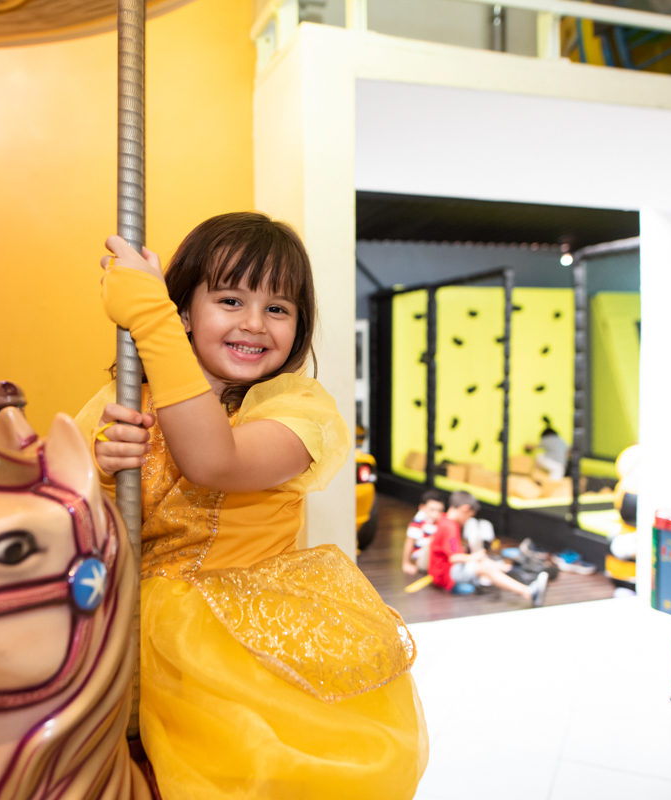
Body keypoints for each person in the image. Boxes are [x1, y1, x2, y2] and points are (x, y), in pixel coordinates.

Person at [76, 213, 427, 799]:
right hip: (125, 626)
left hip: (237, 647)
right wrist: (108, 477)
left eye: (278, 308)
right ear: (187, 312)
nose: (255, 324)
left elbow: (215, 460)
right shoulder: (125, 401)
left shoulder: (299, 410)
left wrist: (151, 321)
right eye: (230, 300)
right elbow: (70, 520)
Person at [428, 491, 548, 605]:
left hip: (444, 570)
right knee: (485, 567)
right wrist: (474, 557)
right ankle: (529, 592)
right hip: (446, 574)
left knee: (485, 563)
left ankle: (508, 573)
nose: (467, 520)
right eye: (469, 516)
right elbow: (453, 558)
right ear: (465, 509)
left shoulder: (444, 520)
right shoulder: (449, 527)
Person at [402, 490, 444, 575]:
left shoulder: (438, 521)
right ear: (422, 507)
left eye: (439, 511)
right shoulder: (418, 521)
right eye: (432, 510)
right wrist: (406, 563)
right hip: (422, 559)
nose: (435, 514)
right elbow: (409, 541)